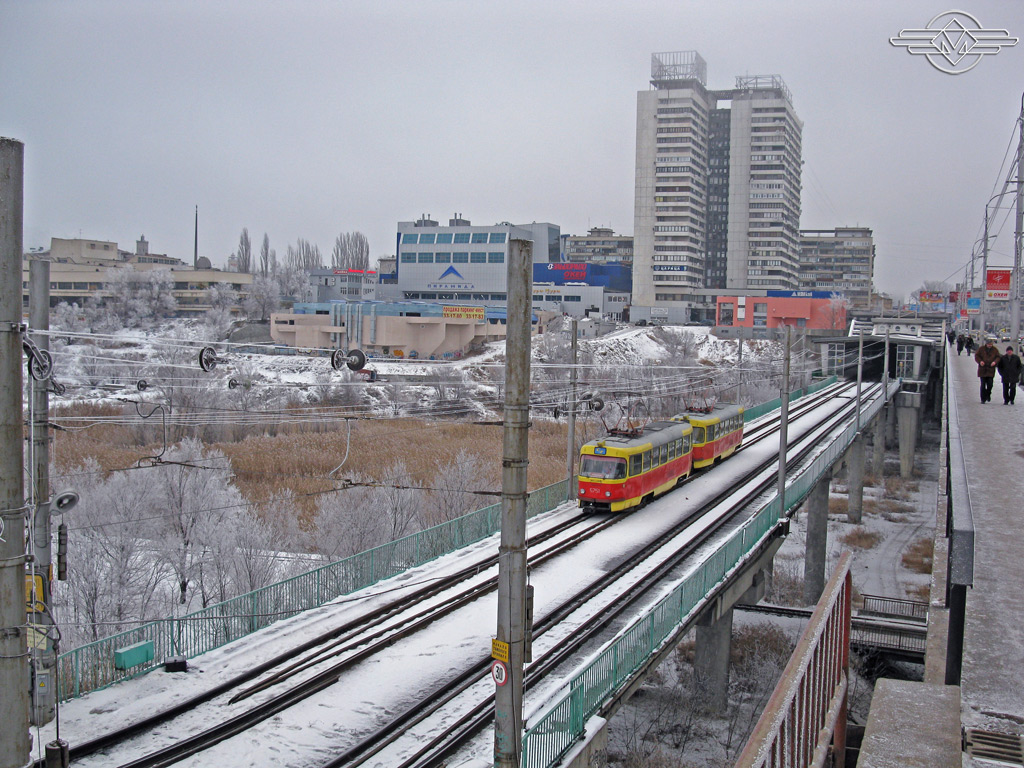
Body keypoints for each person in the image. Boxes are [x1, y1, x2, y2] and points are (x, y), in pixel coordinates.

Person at [975, 337, 1001, 403]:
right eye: (989, 344)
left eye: (991, 344)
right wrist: (980, 361)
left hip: (990, 370)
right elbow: (977, 356)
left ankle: (988, 394)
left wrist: (994, 362)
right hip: (982, 370)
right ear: (986, 344)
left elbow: (998, 357)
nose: (990, 345)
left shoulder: (995, 350)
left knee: (990, 384)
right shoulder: (981, 349)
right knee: (983, 385)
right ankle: (983, 399)